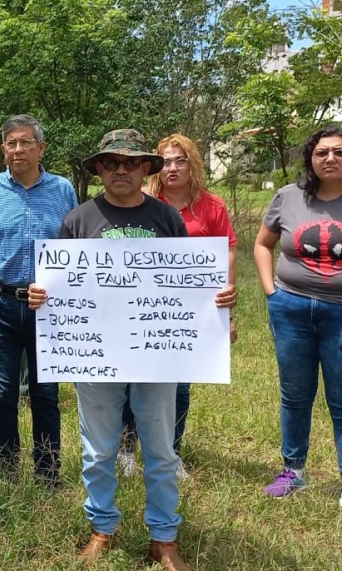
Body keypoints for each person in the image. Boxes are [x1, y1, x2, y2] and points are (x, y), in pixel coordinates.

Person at [29, 129, 236, 571]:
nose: (120, 169)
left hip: (156, 353)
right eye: (110, 163)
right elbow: (60, 286)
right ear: (100, 169)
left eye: (131, 163)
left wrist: (216, 300)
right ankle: (102, 527)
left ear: (147, 169)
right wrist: (41, 296)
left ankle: (164, 537)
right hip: (95, 354)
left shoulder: (166, 218)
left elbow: (191, 284)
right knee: (99, 449)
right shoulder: (78, 220)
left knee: (160, 449)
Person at [118, 133, 238, 479]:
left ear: (193, 164)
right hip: (141, 306)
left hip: (190, 313)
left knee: (180, 386)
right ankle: (127, 449)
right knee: (133, 378)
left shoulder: (212, 206)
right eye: (166, 161)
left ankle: (171, 452)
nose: (172, 168)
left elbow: (228, 250)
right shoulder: (141, 201)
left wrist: (228, 302)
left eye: (180, 160)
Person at [0, 114, 77, 485]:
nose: (18, 149)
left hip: (48, 307)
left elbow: (74, 248)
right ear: (3, 151)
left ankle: (48, 471)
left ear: (41, 147)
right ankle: (6, 471)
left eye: (25, 142)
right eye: (11, 143)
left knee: (46, 394)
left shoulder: (63, 189)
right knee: (2, 395)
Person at [254, 125, 342, 504]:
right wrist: (271, 293)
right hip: (290, 309)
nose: (330, 159)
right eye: (322, 152)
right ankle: (293, 471)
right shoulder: (288, 197)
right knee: (295, 395)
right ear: (310, 157)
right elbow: (262, 244)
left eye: (338, 152)